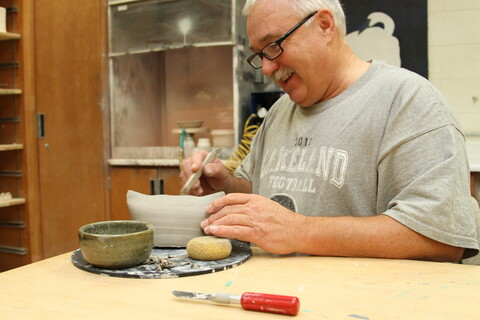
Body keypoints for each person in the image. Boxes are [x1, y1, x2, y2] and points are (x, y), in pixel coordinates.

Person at [180, 0, 479, 263]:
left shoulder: (408, 101)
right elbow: (259, 194)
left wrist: (299, 231)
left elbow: (442, 238)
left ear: (324, 25)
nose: (267, 69)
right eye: (259, 54)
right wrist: (224, 185)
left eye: (274, 45)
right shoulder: (280, 112)